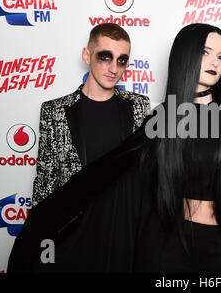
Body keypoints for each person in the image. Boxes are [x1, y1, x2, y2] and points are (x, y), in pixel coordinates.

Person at [8, 23, 221, 273]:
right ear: (187, 56)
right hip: (166, 246)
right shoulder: (167, 117)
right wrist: (48, 220)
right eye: (206, 53)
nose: (215, 63)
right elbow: (112, 170)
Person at [32, 23, 150, 206]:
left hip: (123, 225)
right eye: (105, 57)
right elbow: (45, 184)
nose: (114, 68)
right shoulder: (54, 111)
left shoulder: (139, 106)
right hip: (74, 228)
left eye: (121, 60)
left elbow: (146, 174)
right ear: (87, 56)